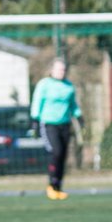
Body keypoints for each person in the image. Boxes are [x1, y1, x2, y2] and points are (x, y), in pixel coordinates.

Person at [30, 59, 82, 200]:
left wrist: (78, 116)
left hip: (64, 124)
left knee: (63, 155)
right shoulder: (45, 84)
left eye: (63, 70)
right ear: (52, 70)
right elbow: (37, 101)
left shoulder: (68, 86)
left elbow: (73, 105)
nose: (61, 72)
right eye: (59, 69)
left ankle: (58, 186)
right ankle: (51, 185)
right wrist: (35, 119)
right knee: (56, 152)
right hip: (48, 124)